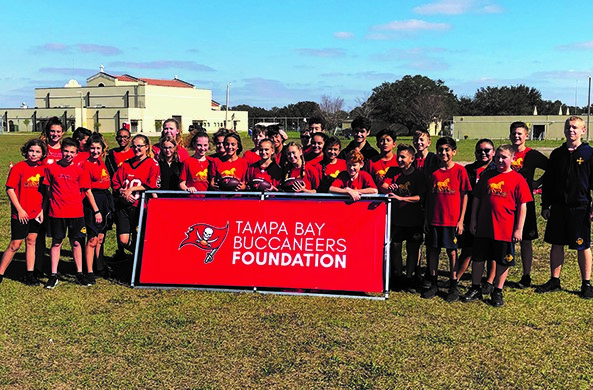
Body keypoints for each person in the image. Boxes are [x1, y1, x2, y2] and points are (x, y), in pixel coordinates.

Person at [463, 145, 532, 307]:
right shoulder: (487, 176)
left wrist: (519, 228)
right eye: (498, 157)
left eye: (504, 157)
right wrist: (473, 220)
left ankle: (497, 290)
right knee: (479, 258)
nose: (500, 160)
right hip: (484, 227)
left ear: (512, 159)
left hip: (505, 229)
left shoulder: (518, 180)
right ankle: (475, 288)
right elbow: (477, 200)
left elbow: (523, 205)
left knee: (503, 260)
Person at [536, 116, 593, 299]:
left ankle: (586, 283)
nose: (571, 130)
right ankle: (554, 280)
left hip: (580, 206)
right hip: (559, 207)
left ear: (583, 131)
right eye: (568, 127)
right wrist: (546, 205)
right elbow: (550, 182)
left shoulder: (589, 153)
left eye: (575, 127)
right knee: (556, 243)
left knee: (582, 245)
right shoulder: (557, 154)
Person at [421, 137, 471, 302]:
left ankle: (453, 284)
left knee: (452, 252)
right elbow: (428, 196)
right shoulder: (431, 172)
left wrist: (461, 220)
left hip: (452, 220)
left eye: (447, 149)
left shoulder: (459, 171)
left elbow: (464, 195)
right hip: (434, 219)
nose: (443, 153)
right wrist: (427, 219)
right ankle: (433, 283)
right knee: (433, 250)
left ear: (454, 152)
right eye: (440, 149)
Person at [43, 137, 90, 289]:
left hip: (76, 212)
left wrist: (73, 202)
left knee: (76, 242)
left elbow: (83, 191)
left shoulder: (79, 170)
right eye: (66, 151)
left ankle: (79, 273)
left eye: (72, 152)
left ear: (76, 154)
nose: (68, 154)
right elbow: (48, 189)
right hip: (57, 212)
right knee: (56, 242)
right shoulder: (51, 168)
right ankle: (53, 275)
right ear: (61, 151)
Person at [0, 139, 47, 286]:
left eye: (37, 152)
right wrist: (19, 210)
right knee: (15, 243)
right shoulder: (19, 168)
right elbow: (10, 189)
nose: (33, 154)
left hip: (35, 212)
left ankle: (30, 274)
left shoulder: (43, 169)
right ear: (26, 151)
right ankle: (1, 272)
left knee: (31, 241)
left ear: (42, 154)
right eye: (31, 151)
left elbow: (46, 192)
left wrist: (42, 210)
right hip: (21, 213)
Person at [381, 144, 427, 291]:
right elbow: (383, 186)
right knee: (396, 248)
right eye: (398, 156)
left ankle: (409, 277)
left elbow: (420, 197)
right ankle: (398, 276)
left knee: (413, 249)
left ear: (412, 159)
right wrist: (389, 188)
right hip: (397, 219)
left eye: (403, 157)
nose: (399, 159)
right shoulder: (393, 171)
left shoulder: (419, 175)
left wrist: (402, 199)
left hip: (414, 219)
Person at [508, 121, 548, 288]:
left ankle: (526, 275)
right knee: (504, 239)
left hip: (526, 203)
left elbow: (552, 168)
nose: (517, 136)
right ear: (510, 135)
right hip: (506, 202)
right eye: (514, 133)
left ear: (526, 135)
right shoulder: (504, 153)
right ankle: (498, 273)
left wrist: (538, 182)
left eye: (520, 133)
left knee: (526, 240)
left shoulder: (532, 155)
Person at [454, 139, 497, 289]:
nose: (483, 153)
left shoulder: (497, 169)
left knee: (492, 251)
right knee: (468, 248)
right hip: (470, 212)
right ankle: (456, 277)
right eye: (479, 150)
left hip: (490, 214)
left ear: (494, 152)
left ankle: (490, 281)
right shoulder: (468, 169)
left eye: (487, 150)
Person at [112, 134, 161, 256]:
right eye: (134, 146)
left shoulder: (152, 164)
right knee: (123, 240)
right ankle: (141, 255)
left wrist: (132, 189)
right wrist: (123, 193)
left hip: (140, 206)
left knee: (140, 237)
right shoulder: (126, 164)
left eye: (140, 146)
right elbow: (116, 183)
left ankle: (140, 260)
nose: (137, 149)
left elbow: (152, 185)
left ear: (146, 147)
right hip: (124, 207)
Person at [81, 133, 114, 284]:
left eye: (98, 148)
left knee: (101, 237)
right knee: (92, 238)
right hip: (93, 201)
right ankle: (89, 271)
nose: (95, 151)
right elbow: (87, 189)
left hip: (104, 199)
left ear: (103, 150)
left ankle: (99, 265)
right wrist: (96, 210)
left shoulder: (101, 162)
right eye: (92, 148)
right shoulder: (86, 164)